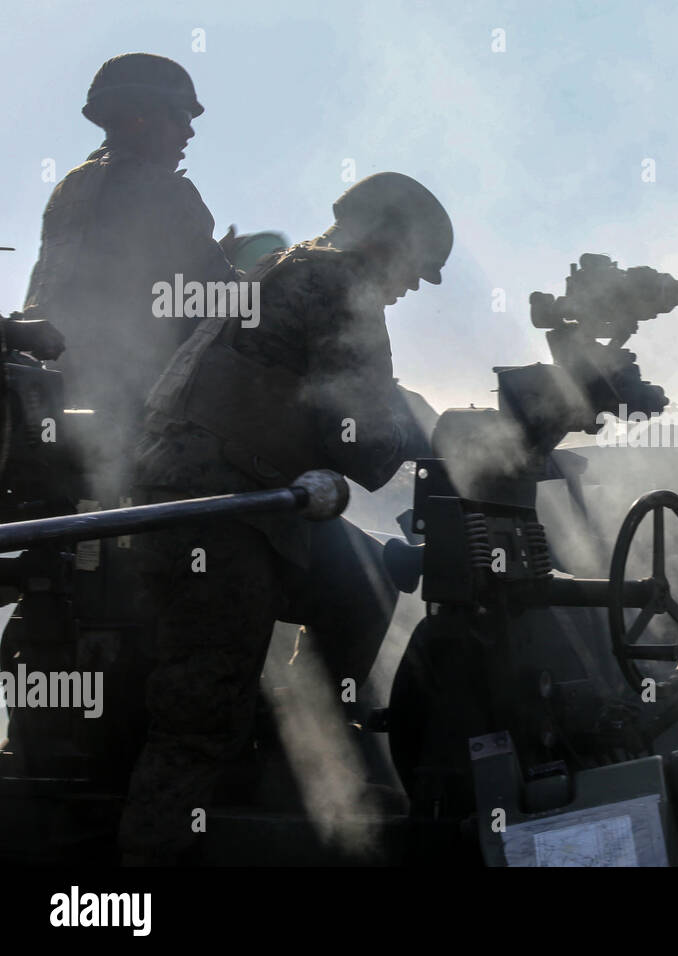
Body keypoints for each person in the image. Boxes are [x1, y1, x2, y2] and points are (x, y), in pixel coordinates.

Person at [117, 172, 452, 864]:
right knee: (200, 711)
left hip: (219, 503)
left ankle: (290, 763)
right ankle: (150, 870)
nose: (411, 287)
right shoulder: (338, 282)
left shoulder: (280, 268)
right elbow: (353, 433)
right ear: (386, 240)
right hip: (221, 515)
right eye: (414, 268)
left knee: (362, 582)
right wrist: (427, 444)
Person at [23, 52, 236, 495]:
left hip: (49, 402)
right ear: (140, 117)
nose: (189, 130)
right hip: (133, 417)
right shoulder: (164, 192)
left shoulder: (72, 187)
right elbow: (223, 307)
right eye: (180, 116)